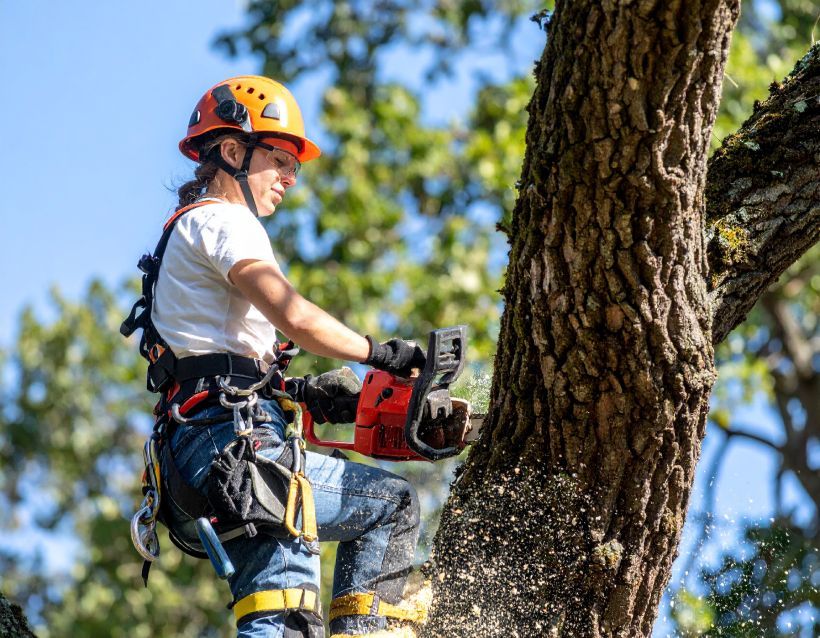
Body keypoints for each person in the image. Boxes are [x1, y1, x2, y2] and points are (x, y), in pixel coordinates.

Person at [126, 76, 427, 638]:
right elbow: (296, 316)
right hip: (236, 444)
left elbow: (219, 359)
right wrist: (382, 354)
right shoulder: (223, 220)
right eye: (280, 159)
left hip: (207, 446)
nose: (290, 178)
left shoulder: (190, 234)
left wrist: (303, 392)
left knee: (288, 620)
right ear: (233, 151)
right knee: (387, 512)